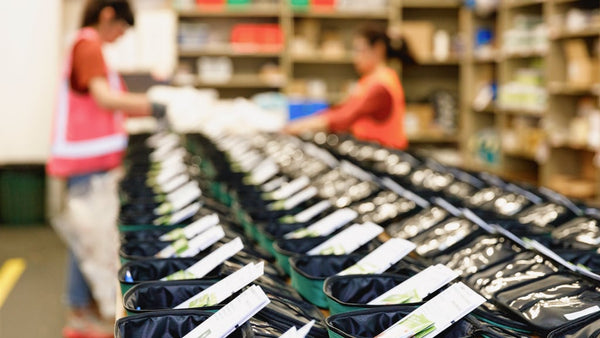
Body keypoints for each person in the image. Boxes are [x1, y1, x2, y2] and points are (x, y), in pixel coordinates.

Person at [46, 1, 165, 337]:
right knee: (87, 237)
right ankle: (78, 314)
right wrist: (154, 106)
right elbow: (103, 98)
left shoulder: (86, 45)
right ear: (107, 14)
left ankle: (85, 307)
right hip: (88, 162)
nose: (119, 37)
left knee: (91, 235)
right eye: (121, 29)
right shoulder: (89, 46)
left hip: (94, 160)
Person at [284, 25, 412, 149]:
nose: (355, 57)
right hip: (375, 151)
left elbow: (345, 117)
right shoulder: (371, 80)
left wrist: (297, 127)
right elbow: (343, 109)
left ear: (378, 49)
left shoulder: (380, 84)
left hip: (387, 155)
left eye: (359, 50)